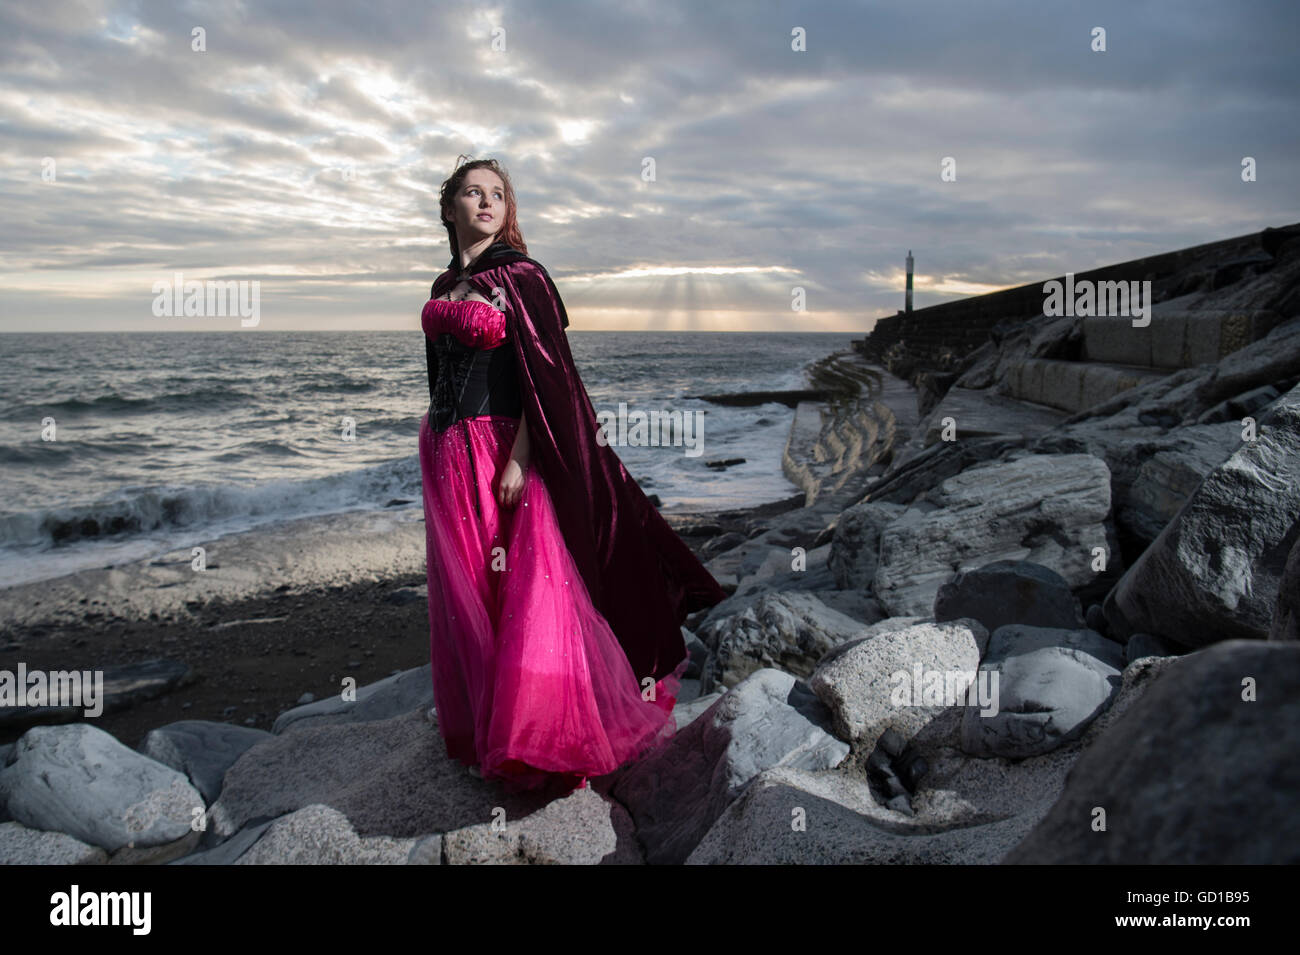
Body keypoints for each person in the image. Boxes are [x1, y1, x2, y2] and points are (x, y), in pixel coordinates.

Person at [419, 156, 727, 794]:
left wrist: (520, 459)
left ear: (508, 211)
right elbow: (436, 374)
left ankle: (544, 737)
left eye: (497, 195)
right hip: (447, 455)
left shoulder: (522, 278)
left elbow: (551, 382)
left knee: (527, 593)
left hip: (503, 449)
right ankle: (487, 728)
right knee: (474, 592)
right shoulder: (440, 283)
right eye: (472, 193)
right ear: (449, 207)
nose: (485, 203)